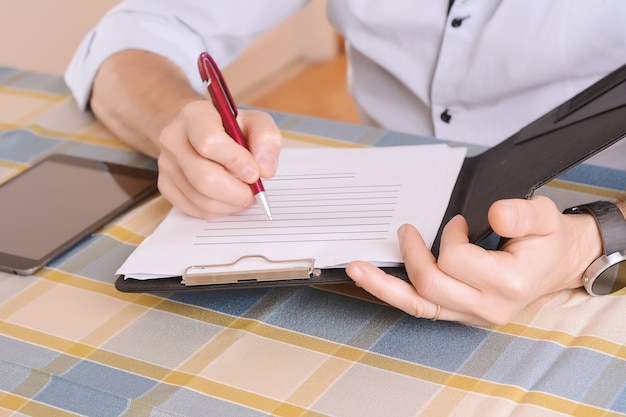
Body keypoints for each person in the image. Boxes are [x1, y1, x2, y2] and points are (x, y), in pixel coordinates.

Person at [65, 0, 626, 326]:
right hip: (365, 214)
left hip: (592, 232)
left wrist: (591, 244)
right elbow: (136, 32)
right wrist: (177, 118)